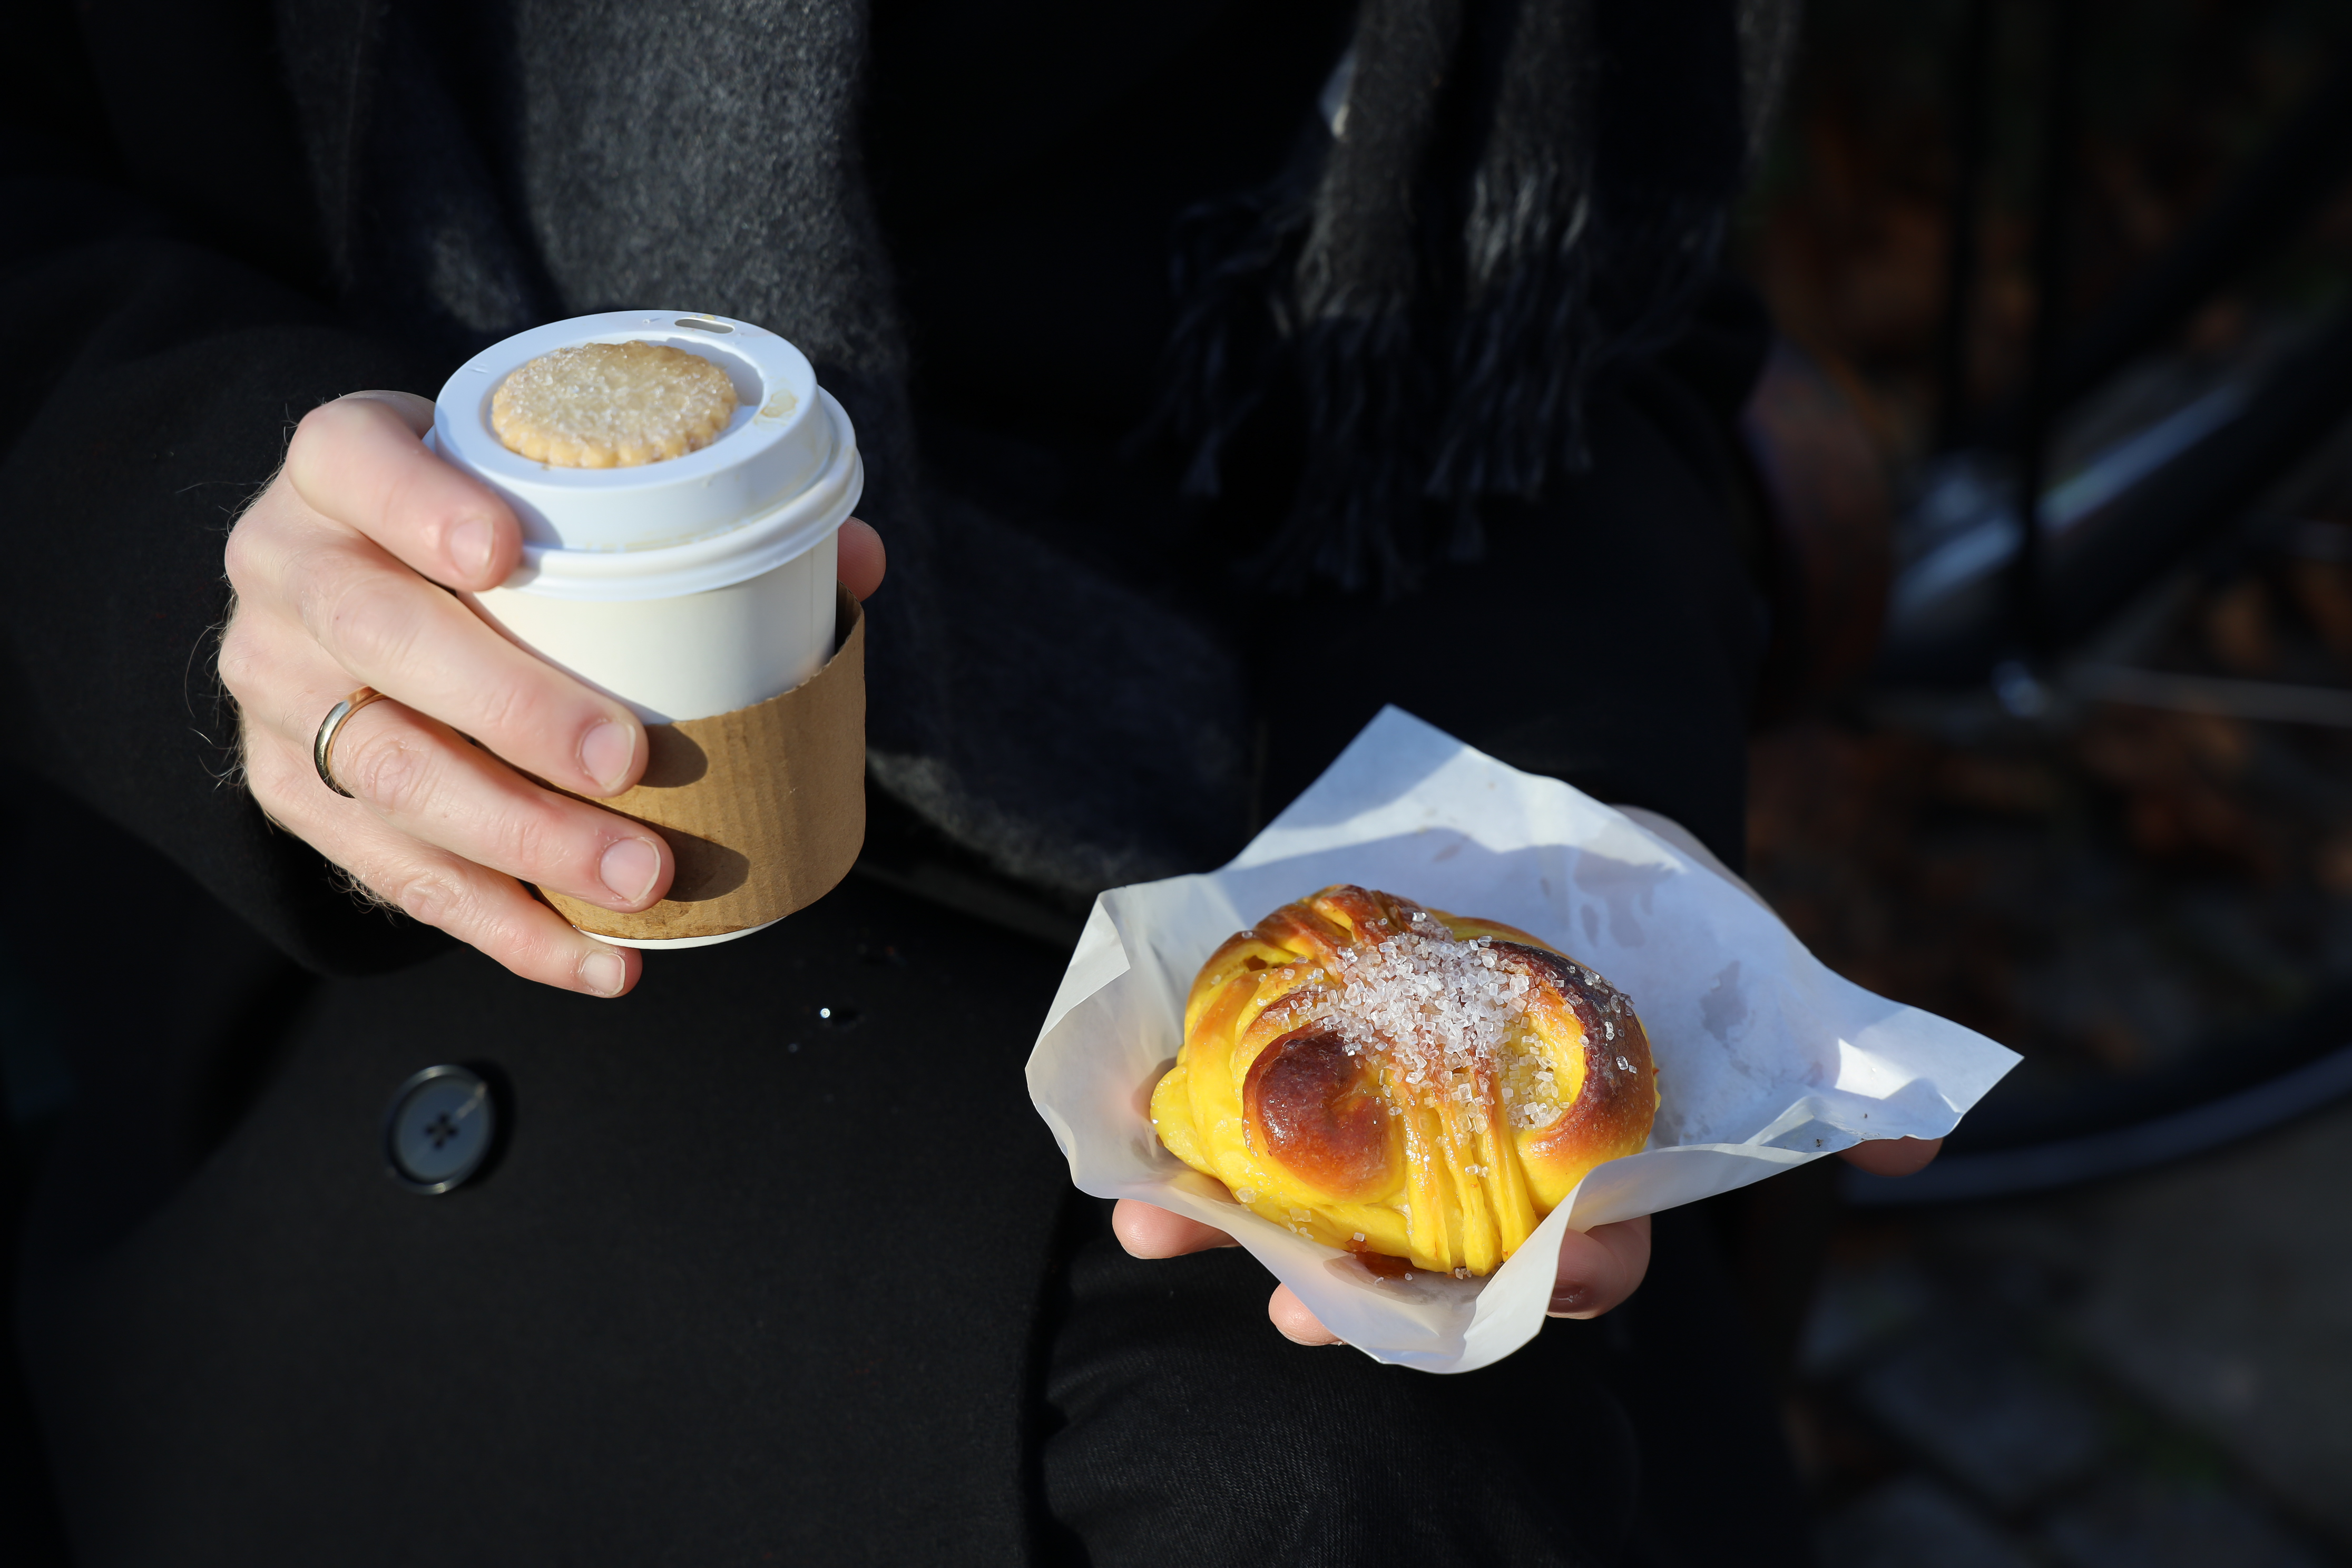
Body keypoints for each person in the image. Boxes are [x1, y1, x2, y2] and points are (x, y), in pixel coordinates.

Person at [2, 1, 1939, 1562]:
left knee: (1390, 1456)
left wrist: (1539, 822)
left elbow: (1581, 332)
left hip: (1258, 797)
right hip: (435, 871)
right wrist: (210, 537)